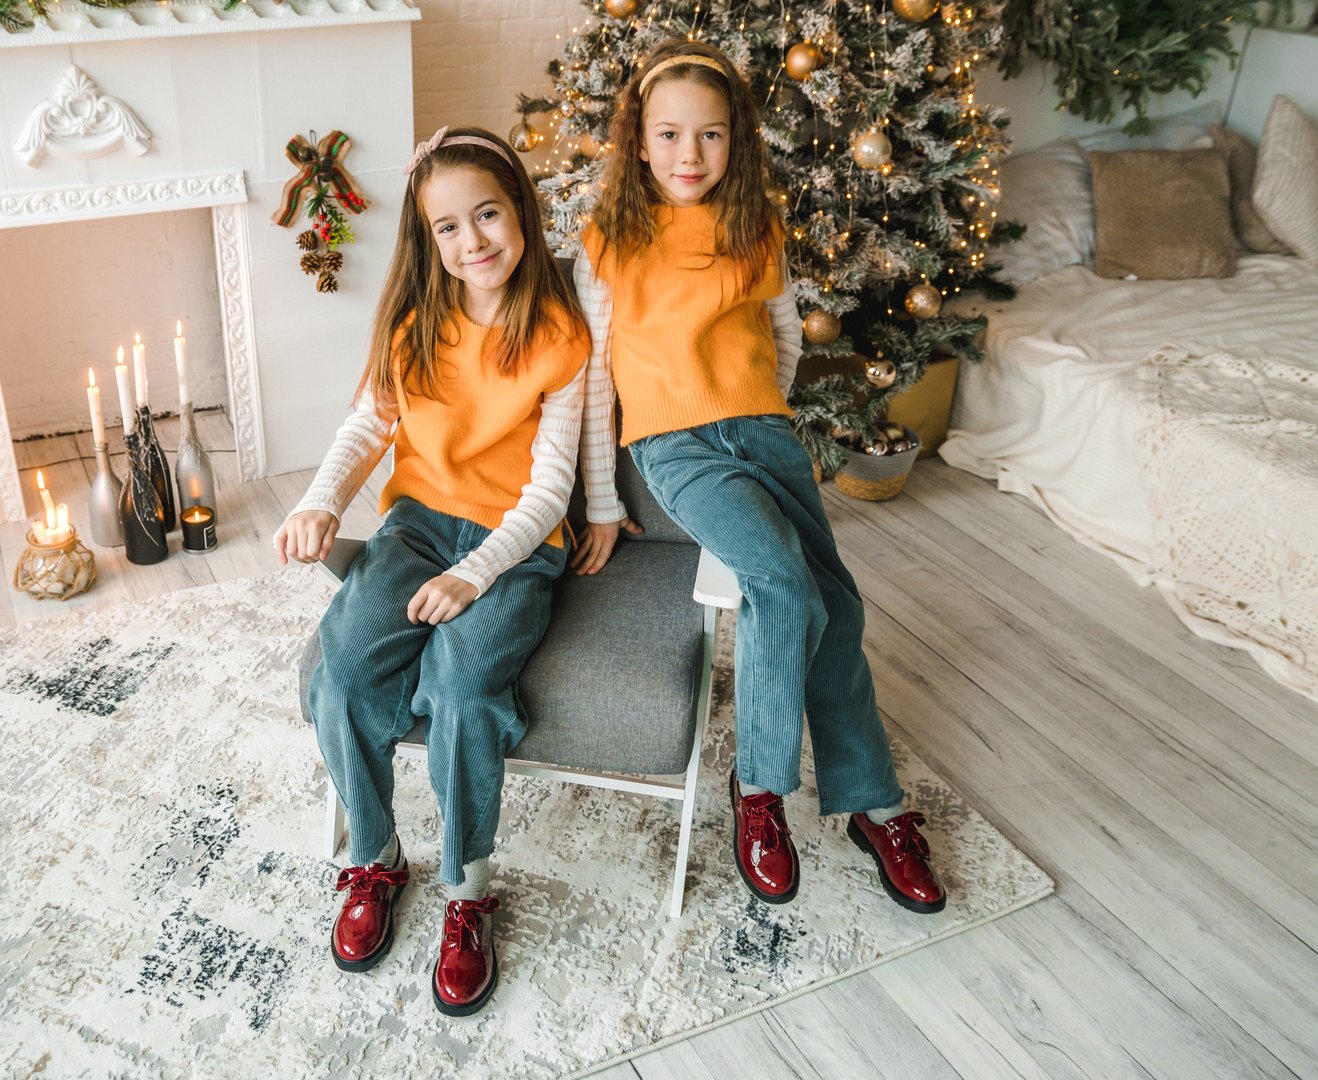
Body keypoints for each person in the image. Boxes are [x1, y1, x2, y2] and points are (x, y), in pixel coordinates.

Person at [573, 41, 945, 914]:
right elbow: (591, 381)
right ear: (639, 143)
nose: (689, 155)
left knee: (836, 604)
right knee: (780, 580)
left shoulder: (755, 230)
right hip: (676, 447)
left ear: (736, 140)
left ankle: (872, 804)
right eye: (669, 135)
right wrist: (601, 500)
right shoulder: (609, 242)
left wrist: (757, 409)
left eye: (710, 135)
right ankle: (761, 788)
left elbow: (779, 339)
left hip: (763, 432)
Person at [274, 125, 590, 1014]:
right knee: (341, 671)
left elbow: (549, 489)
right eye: (448, 227)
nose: (472, 240)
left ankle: (466, 889)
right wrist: (321, 501)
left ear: (520, 212)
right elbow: (369, 426)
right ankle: (376, 859)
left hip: (516, 547)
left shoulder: (559, 335)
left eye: (487, 215)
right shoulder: (415, 323)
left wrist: (475, 575)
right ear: (428, 237)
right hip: (416, 525)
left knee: (461, 686)